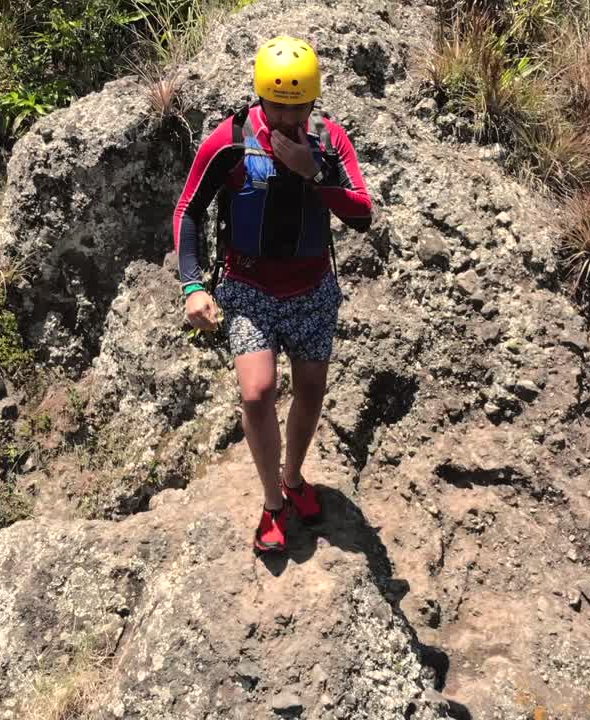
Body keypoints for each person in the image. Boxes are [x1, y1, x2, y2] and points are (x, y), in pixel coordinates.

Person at [172, 36, 372, 554]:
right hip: (249, 287)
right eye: (277, 107)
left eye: (298, 107)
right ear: (261, 98)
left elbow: (361, 214)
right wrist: (193, 285)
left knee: (310, 392)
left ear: (313, 101)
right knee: (258, 394)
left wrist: (316, 172)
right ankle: (272, 504)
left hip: (312, 289)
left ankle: (294, 477)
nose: (287, 118)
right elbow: (188, 210)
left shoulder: (328, 141)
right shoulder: (232, 140)